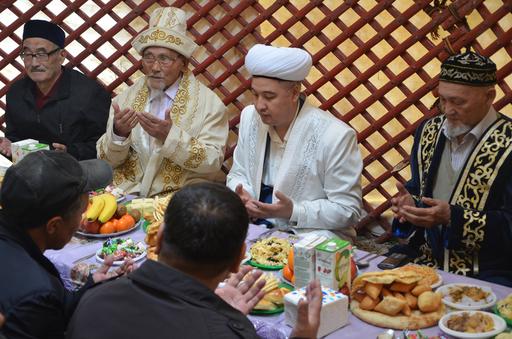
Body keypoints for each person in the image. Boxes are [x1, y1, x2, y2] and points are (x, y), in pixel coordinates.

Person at [66, 182, 322, 338]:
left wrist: (217, 312)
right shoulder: (227, 333)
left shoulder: (95, 300)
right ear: (238, 261)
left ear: (159, 236)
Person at [390, 51, 512, 286]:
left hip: (487, 271)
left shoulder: (507, 141)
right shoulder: (428, 131)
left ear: (489, 96)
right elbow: (419, 190)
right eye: (442, 100)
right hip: (424, 260)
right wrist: (408, 205)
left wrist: (452, 218)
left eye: (458, 101)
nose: (447, 110)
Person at [226, 44, 362, 241]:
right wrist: (243, 194)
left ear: (294, 93)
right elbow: (238, 173)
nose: (259, 105)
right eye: (255, 94)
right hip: (254, 225)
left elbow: (347, 210)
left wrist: (293, 212)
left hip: (309, 234)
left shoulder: (336, 135)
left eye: (269, 96)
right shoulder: (249, 116)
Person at [0, 150, 134, 338]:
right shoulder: (35, 297)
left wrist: (91, 286)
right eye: (81, 213)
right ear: (54, 225)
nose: (83, 221)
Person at [97, 7, 228, 197]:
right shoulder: (125, 99)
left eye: (164, 59)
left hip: (179, 198)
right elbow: (106, 161)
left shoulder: (210, 105)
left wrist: (170, 137)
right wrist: (119, 134)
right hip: (126, 196)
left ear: (183, 63)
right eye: (148, 58)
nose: (155, 67)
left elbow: (213, 161)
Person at [1, 20, 111, 160]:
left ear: (62, 56)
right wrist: (9, 143)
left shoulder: (89, 93)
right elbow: (14, 136)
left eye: (42, 54)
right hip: (27, 169)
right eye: (28, 54)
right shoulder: (16, 92)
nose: (34, 63)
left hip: (75, 169)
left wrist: (69, 152)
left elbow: (104, 143)